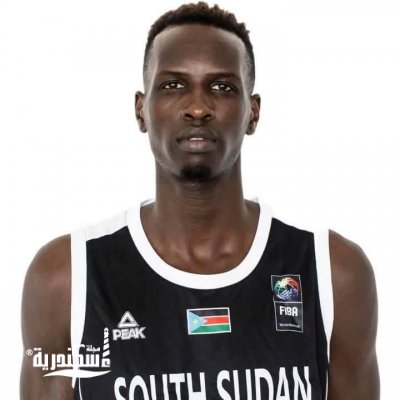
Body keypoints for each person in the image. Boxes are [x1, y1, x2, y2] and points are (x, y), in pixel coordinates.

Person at [20, 2, 379, 399]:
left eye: (222, 87)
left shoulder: (333, 273)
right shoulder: (64, 279)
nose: (197, 108)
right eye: (173, 85)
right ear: (141, 111)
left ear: (252, 113)